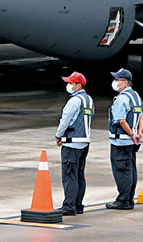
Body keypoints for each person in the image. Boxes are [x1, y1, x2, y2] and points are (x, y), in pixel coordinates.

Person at [55, 72, 94, 216]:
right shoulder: (88, 99)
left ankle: (69, 206)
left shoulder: (74, 101)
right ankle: (78, 205)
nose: (69, 85)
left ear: (78, 85)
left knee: (69, 174)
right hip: (84, 142)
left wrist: (59, 135)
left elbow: (65, 120)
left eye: (71, 83)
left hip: (72, 143)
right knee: (79, 175)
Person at [106, 68, 143, 210]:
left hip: (121, 140)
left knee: (121, 170)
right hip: (132, 141)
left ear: (125, 82)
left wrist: (131, 134)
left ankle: (123, 201)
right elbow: (141, 116)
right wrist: (138, 133)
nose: (115, 82)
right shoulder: (136, 96)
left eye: (117, 80)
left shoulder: (122, 98)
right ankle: (129, 199)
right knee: (130, 170)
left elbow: (121, 120)